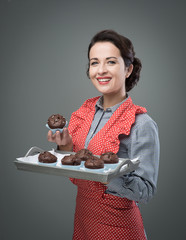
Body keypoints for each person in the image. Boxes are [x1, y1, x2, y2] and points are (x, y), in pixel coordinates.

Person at [47, 29, 160, 240]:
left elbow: (145, 191)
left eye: (110, 62)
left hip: (118, 228)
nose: (101, 70)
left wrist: (107, 175)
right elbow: (78, 176)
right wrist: (64, 148)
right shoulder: (84, 114)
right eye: (94, 62)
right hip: (83, 222)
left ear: (128, 69)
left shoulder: (141, 124)